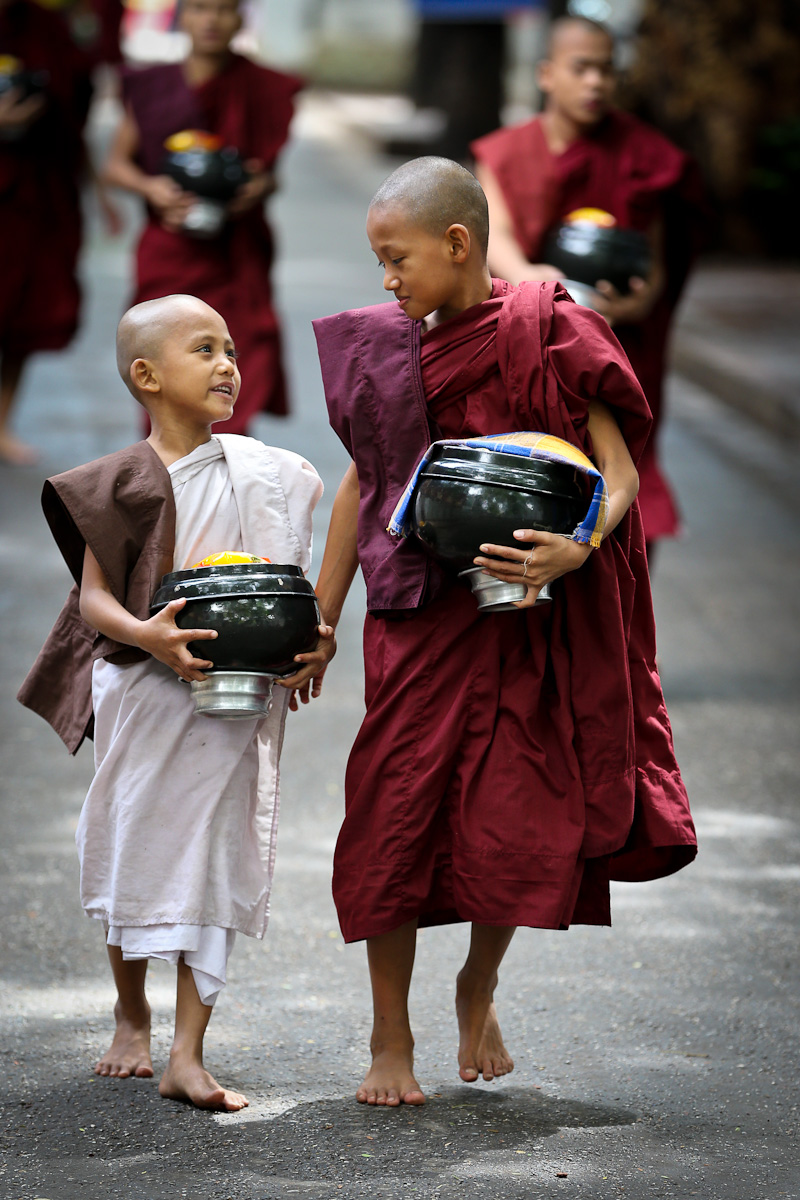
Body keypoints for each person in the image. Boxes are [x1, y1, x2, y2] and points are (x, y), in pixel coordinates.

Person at [295, 157, 696, 1107]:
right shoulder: (385, 348)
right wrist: (323, 614)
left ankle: (478, 983)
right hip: (419, 618)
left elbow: (617, 474)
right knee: (390, 813)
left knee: (511, 813)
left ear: (457, 243)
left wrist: (578, 547)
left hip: (525, 616)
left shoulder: (550, 330)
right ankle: (389, 1032)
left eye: (397, 259)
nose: (386, 280)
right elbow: (364, 484)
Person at [17, 294, 325, 1111]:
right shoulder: (119, 480)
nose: (227, 364)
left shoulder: (266, 473)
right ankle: (131, 1013)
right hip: (145, 688)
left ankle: (188, 1053)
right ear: (148, 377)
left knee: (214, 854)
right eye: (204, 350)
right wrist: (150, 638)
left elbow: (284, 579)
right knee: (131, 842)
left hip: (233, 693)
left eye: (230, 350)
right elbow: (95, 601)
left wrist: (309, 635)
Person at [471, 16, 708, 557]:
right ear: (547, 74)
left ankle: (622, 593)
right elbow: (495, 238)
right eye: (582, 68)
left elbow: (655, 261)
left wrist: (636, 301)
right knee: (527, 480)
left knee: (626, 476)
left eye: (606, 70)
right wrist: (541, 286)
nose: (596, 82)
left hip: (616, 346)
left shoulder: (643, 153)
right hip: (531, 337)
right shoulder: (505, 152)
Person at [102, 0, 301, 433]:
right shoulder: (153, 85)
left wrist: (258, 187)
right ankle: (168, 464)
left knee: (237, 359)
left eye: (224, 9)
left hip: (236, 250)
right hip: (171, 247)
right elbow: (115, 165)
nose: (211, 20)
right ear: (183, 16)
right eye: (199, 8)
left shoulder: (262, 87)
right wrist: (152, 188)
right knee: (164, 358)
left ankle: (224, 462)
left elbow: (269, 176)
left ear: (241, 18)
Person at [0, 0, 86, 464]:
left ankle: (1, 421)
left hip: (36, 188)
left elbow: (73, 112)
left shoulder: (45, 27)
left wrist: (95, 189)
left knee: (22, 313)